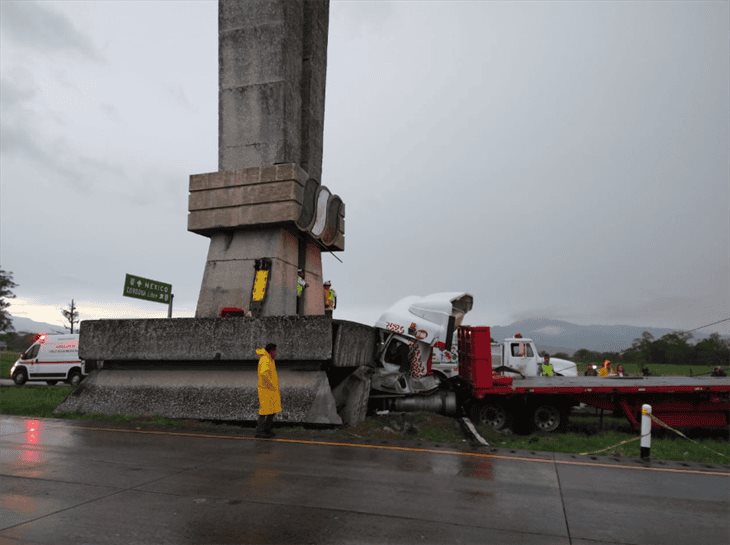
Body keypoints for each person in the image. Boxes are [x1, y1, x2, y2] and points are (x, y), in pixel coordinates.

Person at [255, 343, 281, 438]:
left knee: (272, 410)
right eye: (275, 351)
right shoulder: (265, 359)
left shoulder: (270, 359)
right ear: (271, 351)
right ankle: (260, 431)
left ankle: (266, 429)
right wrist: (270, 386)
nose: (276, 353)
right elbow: (263, 374)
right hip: (266, 390)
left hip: (270, 390)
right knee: (265, 411)